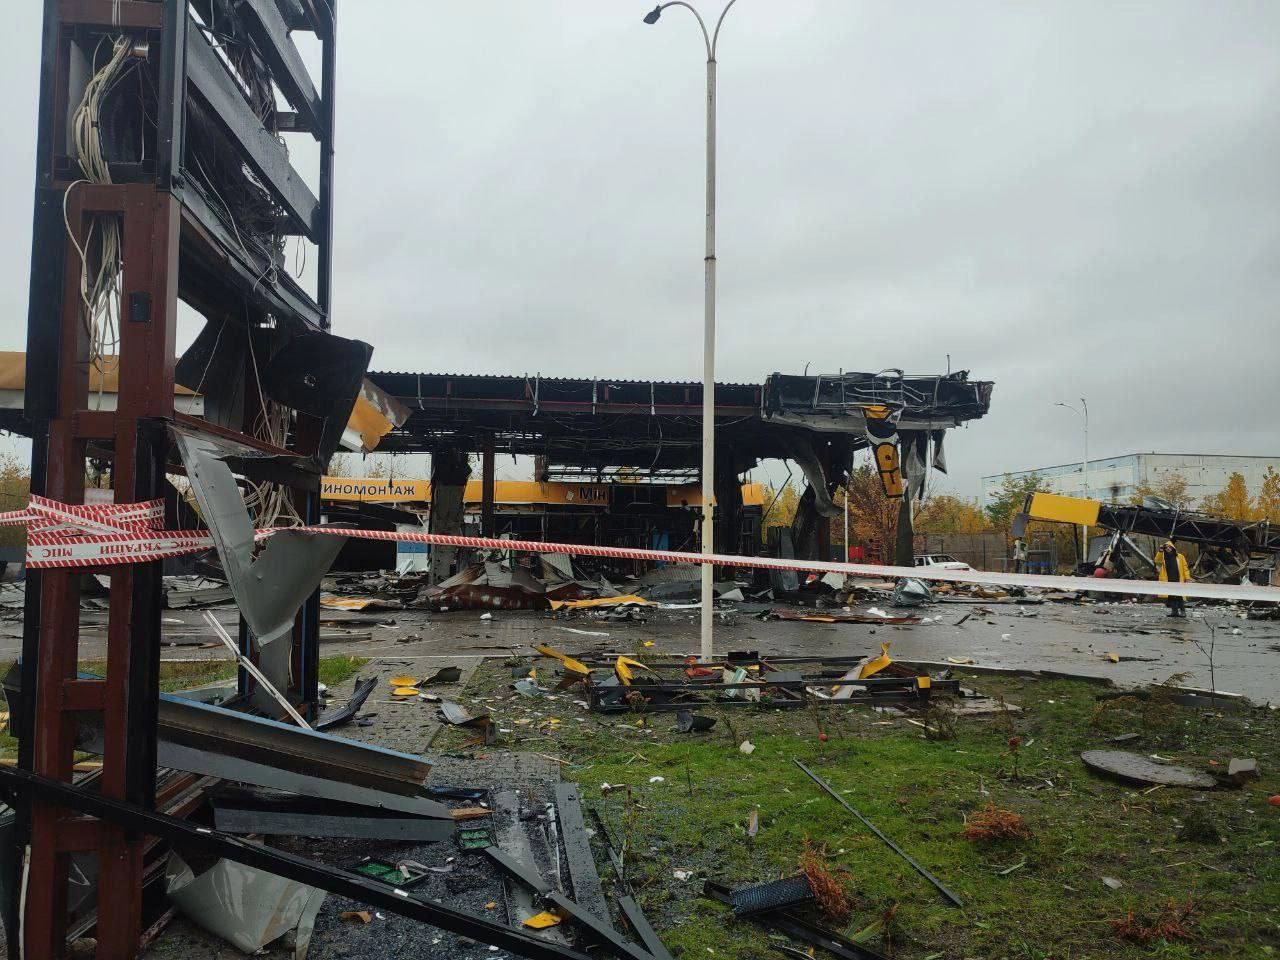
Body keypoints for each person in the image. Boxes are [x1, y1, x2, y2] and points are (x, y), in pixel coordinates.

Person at [1155, 540, 1190, 618]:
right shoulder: (1163, 557)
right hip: (1168, 580)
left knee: (1179, 596)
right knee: (1171, 596)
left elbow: (1185, 568)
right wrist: (1160, 551)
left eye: (1169, 547)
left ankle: (1183, 612)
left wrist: (1187, 577)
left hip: (1178, 579)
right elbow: (1157, 561)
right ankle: (1174, 612)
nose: (1168, 548)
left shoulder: (1180, 556)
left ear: (1172, 548)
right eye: (1166, 547)